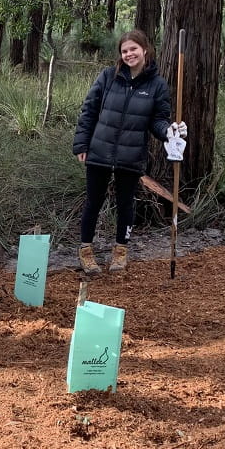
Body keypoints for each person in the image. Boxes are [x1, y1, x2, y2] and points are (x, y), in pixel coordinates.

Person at [72, 29, 187, 273]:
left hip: (131, 155)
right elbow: (89, 111)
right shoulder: (107, 77)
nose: (129, 54)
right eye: (124, 51)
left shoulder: (157, 85)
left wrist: (169, 131)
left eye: (133, 49)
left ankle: (120, 252)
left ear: (145, 50)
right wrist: (82, 144)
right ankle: (86, 252)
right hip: (99, 152)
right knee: (93, 202)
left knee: (126, 204)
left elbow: (158, 121)